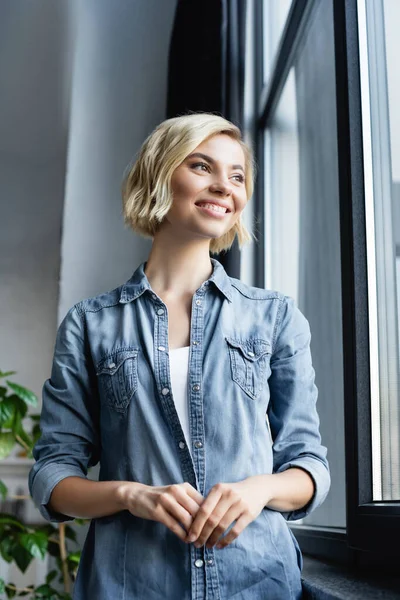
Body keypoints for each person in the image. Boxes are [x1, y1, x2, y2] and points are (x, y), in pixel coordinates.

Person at [29, 112, 330, 599]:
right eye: (201, 166)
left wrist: (258, 490)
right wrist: (132, 494)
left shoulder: (274, 317)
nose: (224, 186)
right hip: (129, 584)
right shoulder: (90, 325)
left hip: (258, 582)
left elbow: (308, 467)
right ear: (160, 175)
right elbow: (52, 476)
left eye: (237, 176)